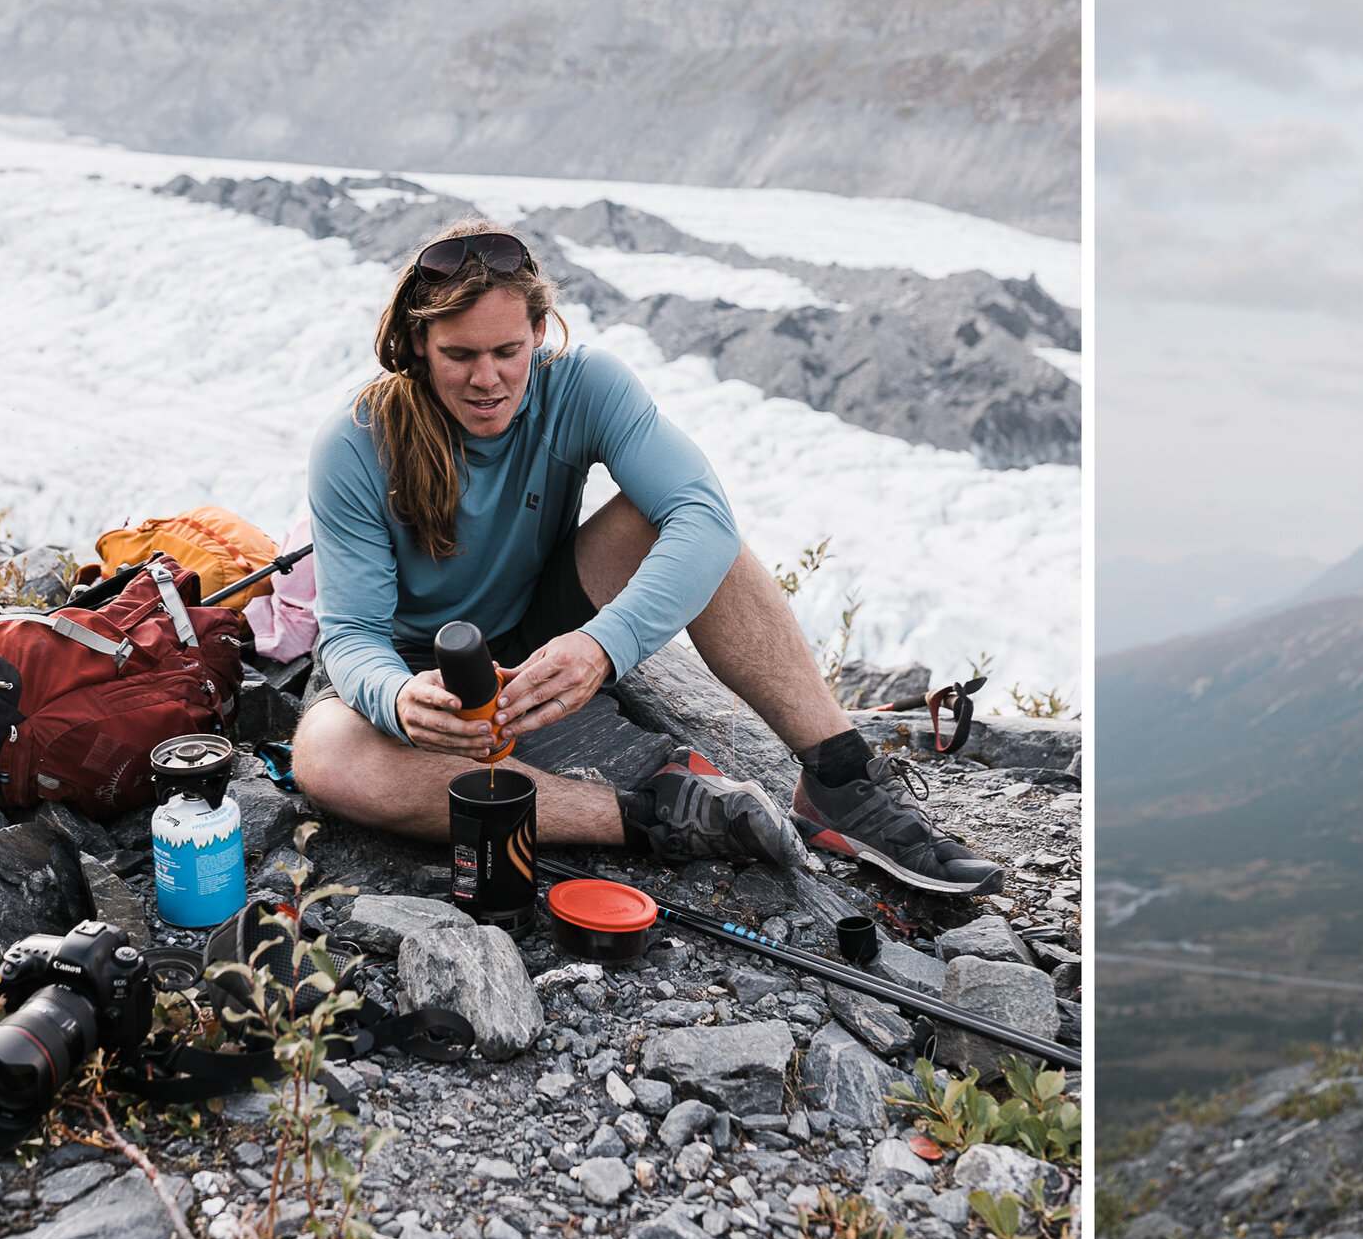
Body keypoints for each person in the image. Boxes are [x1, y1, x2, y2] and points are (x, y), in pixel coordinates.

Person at [290, 219, 1004, 895]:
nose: (488, 378)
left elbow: (703, 516)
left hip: (536, 623)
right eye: (459, 355)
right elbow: (352, 637)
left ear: (540, 332)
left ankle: (839, 777)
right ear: (418, 345)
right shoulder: (356, 443)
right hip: (414, 666)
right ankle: (650, 814)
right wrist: (396, 698)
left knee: (692, 522)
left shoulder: (584, 385)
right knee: (324, 758)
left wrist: (605, 644)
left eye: (508, 350)